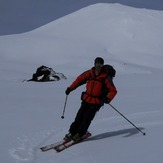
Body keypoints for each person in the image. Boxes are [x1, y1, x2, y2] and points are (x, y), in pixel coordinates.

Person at [64, 57, 117, 142]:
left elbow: (113, 90)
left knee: (86, 118)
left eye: (100, 64)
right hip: (86, 99)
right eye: (97, 64)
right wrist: (70, 88)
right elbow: (79, 80)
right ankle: (72, 132)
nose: (98, 66)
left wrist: (108, 98)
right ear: (94, 64)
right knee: (79, 116)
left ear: (103, 65)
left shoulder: (106, 77)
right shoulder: (89, 73)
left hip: (96, 102)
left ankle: (80, 134)